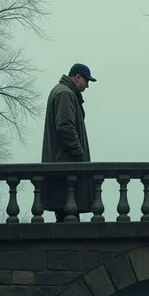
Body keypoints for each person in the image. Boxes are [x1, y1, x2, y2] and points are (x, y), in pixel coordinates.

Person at [41, 63, 97, 222]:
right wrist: (81, 156)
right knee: (68, 220)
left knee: (64, 218)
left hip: (62, 170)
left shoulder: (62, 92)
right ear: (78, 77)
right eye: (87, 81)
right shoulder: (65, 93)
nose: (87, 86)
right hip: (65, 170)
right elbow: (65, 128)